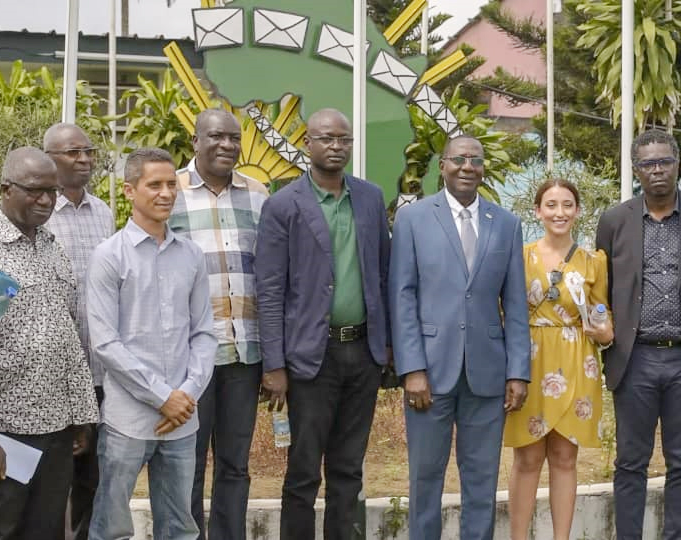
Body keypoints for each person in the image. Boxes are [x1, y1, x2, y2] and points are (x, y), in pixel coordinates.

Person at [255, 108, 391, 540]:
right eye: (327, 139)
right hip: (310, 358)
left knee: (349, 468)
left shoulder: (369, 198)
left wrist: (386, 348)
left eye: (344, 140)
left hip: (363, 353)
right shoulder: (282, 205)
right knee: (303, 471)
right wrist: (274, 366)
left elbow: (383, 274)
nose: (336, 147)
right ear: (307, 144)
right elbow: (270, 288)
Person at [389, 135, 531, 540]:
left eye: (476, 160)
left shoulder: (506, 223)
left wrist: (518, 371)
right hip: (429, 374)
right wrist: (412, 368)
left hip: (487, 374)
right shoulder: (414, 219)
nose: (468, 166)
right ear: (443, 166)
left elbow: (516, 304)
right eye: (459, 159)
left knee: (482, 482)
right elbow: (402, 296)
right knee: (425, 479)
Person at [595, 129, 681, 539]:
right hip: (633, 358)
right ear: (636, 170)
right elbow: (601, 288)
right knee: (630, 462)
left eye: (664, 162)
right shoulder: (615, 220)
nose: (657, 170)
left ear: (677, 164)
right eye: (647, 163)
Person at [86, 147, 217, 540]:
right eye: (154, 185)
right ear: (129, 191)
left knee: (180, 527)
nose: (165, 193)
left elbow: (204, 333)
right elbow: (105, 343)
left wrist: (187, 393)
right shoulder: (109, 257)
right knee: (111, 527)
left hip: (182, 421)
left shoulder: (192, 255)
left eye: (170, 185)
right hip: (128, 420)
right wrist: (163, 397)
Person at [168, 109, 268, 540]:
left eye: (234, 137)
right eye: (216, 136)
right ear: (195, 142)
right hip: (188, 358)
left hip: (243, 353)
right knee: (184, 462)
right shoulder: (167, 191)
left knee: (235, 464)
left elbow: (269, 272)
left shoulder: (258, 194)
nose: (227, 145)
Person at [0, 147, 100, 540]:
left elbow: (66, 337)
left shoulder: (50, 245)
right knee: (6, 529)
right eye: (35, 191)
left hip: (58, 431)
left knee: (48, 529)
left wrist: (81, 416)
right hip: (8, 433)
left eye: (52, 191)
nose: (46, 200)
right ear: (6, 189)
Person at [504, 178, 614, 540]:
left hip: (575, 362)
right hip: (530, 361)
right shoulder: (519, 256)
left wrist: (603, 331)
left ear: (578, 211)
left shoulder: (593, 262)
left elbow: (605, 320)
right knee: (527, 458)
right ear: (538, 211)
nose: (559, 212)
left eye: (567, 205)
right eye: (551, 205)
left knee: (566, 459)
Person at [42, 122, 115, 540]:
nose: (84, 159)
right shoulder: (34, 214)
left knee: (93, 476)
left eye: (88, 151)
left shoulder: (104, 212)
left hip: (100, 371)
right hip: (53, 376)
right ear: (49, 156)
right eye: (73, 152)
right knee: (53, 478)